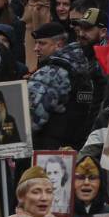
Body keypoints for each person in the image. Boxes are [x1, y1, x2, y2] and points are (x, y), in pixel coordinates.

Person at [27, 21, 95, 151]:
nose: (36, 48)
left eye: (42, 43)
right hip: (76, 150)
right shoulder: (83, 67)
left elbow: (30, 118)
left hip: (46, 153)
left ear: (58, 45)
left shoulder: (51, 73)